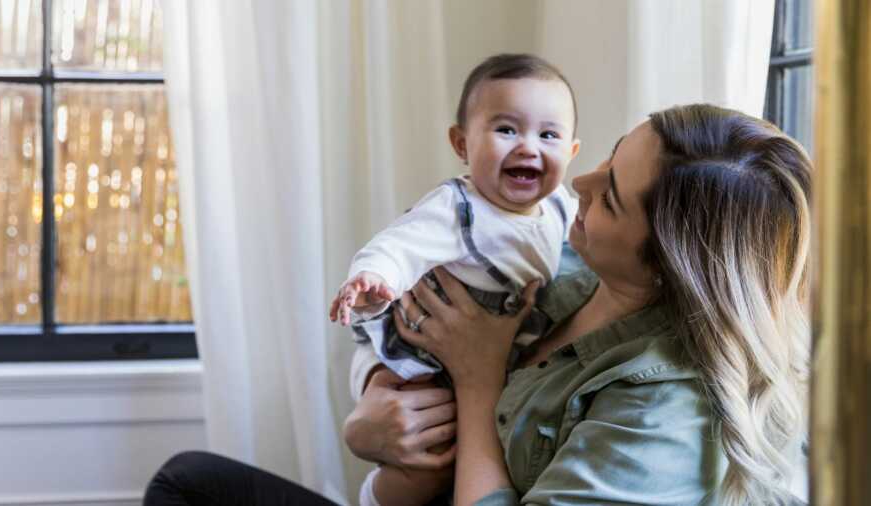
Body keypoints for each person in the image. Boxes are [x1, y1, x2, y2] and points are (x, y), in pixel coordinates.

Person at [144, 104, 811, 506]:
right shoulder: (562, 265)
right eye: (608, 158)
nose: (576, 180)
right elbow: (402, 330)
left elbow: (467, 366)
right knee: (188, 482)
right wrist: (370, 419)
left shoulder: (665, 411)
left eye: (609, 195)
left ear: (668, 268)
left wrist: (478, 378)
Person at [329, 53, 580, 380]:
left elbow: (588, 233)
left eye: (548, 135)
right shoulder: (457, 209)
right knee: (425, 408)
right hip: (430, 355)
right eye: (506, 129)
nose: (528, 148)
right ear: (462, 144)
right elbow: (399, 246)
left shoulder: (560, 203)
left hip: (502, 350)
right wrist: (375, 277)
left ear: (571, 153)